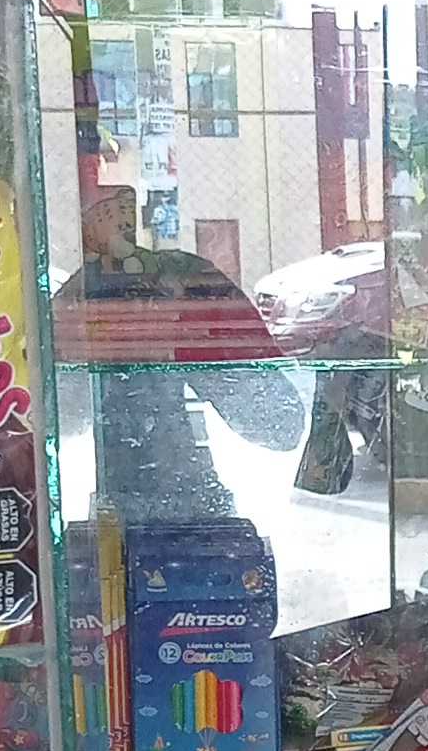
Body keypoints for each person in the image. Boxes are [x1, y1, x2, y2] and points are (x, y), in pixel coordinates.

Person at [52, 182, 305, 520]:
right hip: (130, 511)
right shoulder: (81, 297)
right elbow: (50, 421)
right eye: (104, 215)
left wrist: (189, 345)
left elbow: (281, 425)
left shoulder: (188, 282)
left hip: (192, 507)